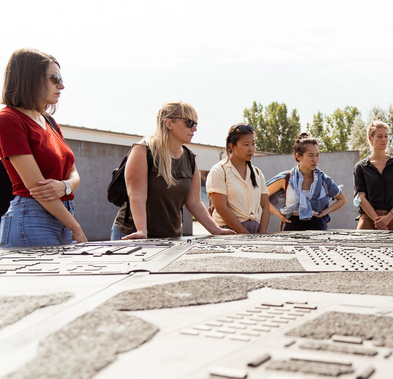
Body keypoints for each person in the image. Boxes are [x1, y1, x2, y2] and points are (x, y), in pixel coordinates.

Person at [0, 48, 86, 247]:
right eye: (54, 78)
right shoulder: (9, 120)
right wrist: (76, 227)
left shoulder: (49, 121)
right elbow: (37, 188)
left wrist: (65, 185)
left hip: (62, 217)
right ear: (30, 78)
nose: (61, 86)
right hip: (31, 220)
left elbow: (73, 171)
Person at [111, 101, 234, 239]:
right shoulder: (143, 150)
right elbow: (137, 195)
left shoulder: (190, 158)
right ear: (169, 123)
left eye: (196, 124)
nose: (194, 129)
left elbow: (194, 202)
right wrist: (141, 231)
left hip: (170, 236)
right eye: (189, 122)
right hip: (133, 234)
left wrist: (216, 230)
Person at [266, 133, 346, 231]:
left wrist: (325, 212)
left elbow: (342, 199)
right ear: (298, 156)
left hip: (318, 225)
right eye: (311, 156)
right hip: (292, 225)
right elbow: (262, 196)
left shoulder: (323, 179)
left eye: (317, 155)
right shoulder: (287, 178)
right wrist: (279, 215)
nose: (315, 160)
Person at [206, 124, 269, 234]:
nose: (251, 149)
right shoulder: (219, 171)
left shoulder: (257, 173)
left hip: (255, 231)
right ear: (232, 146)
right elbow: (221, 208)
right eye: (246, 144)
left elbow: (265, 205)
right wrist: (244, 233)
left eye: (253, 144)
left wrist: (262, 233)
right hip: (229, 231)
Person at [353, 120, 393, 230]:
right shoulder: (361, 167)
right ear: (370, 139)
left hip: (391, 219)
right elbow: (361, 197)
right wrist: (377, 221)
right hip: (367, 220)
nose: (384, 139)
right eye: (379, 136)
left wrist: (388, 218)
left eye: (386, 136)